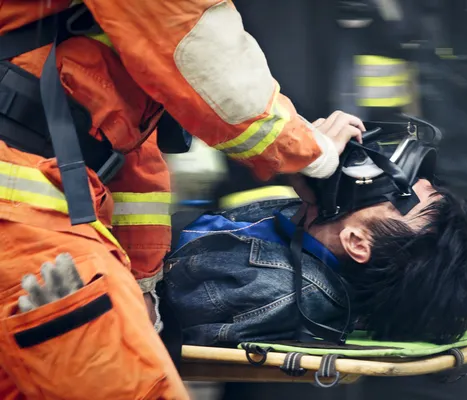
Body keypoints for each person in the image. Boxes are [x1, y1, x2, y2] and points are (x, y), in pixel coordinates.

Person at [0, 2, 365, 398]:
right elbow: (197, 44)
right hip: (25, 199)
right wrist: (314, 151)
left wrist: (142, 283)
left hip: (41, 185)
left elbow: (130, 155)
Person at [164, 120, 467, 346]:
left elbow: (146, 286)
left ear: (357, 243)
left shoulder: (279, 293)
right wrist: (296, 160)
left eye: (403, 198)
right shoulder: (316, 226)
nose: (415, 180)